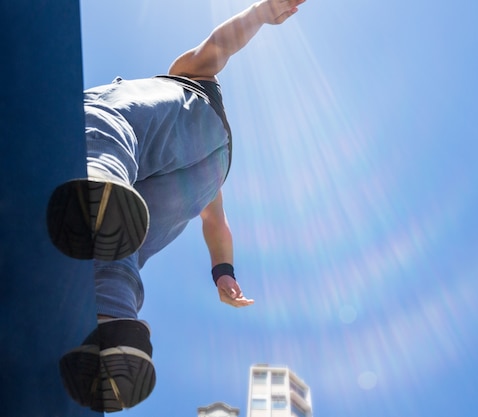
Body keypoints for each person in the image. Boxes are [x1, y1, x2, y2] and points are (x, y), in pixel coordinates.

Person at [46, 0, 305, 412]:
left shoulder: (180, 75)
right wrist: (224, 274)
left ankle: (100, 176)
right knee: (114, 245)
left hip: (195, 110)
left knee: (101, 118)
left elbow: (215, 49)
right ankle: (114, 331)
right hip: (209, 172)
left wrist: (258, 12)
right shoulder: (212, 177)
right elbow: (215, 222)